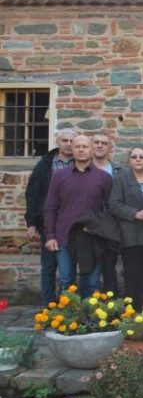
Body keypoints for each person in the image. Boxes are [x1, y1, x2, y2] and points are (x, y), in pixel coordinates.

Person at [43, 135, 113, 297]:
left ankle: (91, 320)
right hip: (64, 235)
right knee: (67, 280)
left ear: (91, 149)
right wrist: (50, 235)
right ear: (72, 150)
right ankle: (68, 321)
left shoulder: (104, 178)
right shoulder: (59, 176)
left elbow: (109, 209)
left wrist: (103, 232)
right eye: (77, 147)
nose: (81, 150)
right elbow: (50, 207)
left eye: (85, 147)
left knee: (92, 281)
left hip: (92, 238)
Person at [25, 128, 76, 305]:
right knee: (48, 266)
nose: (68, 144)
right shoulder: (45, 164)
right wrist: (31, 222)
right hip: (49, 222)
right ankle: (49, 306)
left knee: (69, 269)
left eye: (71, 141)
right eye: (65, 141)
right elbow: (32, 194)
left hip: (72, 223)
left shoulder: (80, 163)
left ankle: (68, 306)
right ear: (57, 142)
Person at [108, 145, 143, 308]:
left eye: (141, 157)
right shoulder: (121, 178)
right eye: (134, 157)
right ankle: (135, 316)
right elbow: (114, 204)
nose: (138, 159)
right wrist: (135, 213)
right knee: (133, 277)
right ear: (129, 161)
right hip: (131, 235)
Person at [91, 131, 120, 294]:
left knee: (110, 271)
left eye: (104, 143)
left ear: (110, 148)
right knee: (90, 273)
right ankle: (88, 313)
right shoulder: (82, 168)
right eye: (96, 142)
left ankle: (112, 313)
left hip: (110, 228)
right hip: (89, 228)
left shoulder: (118, 170)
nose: (100, 146)